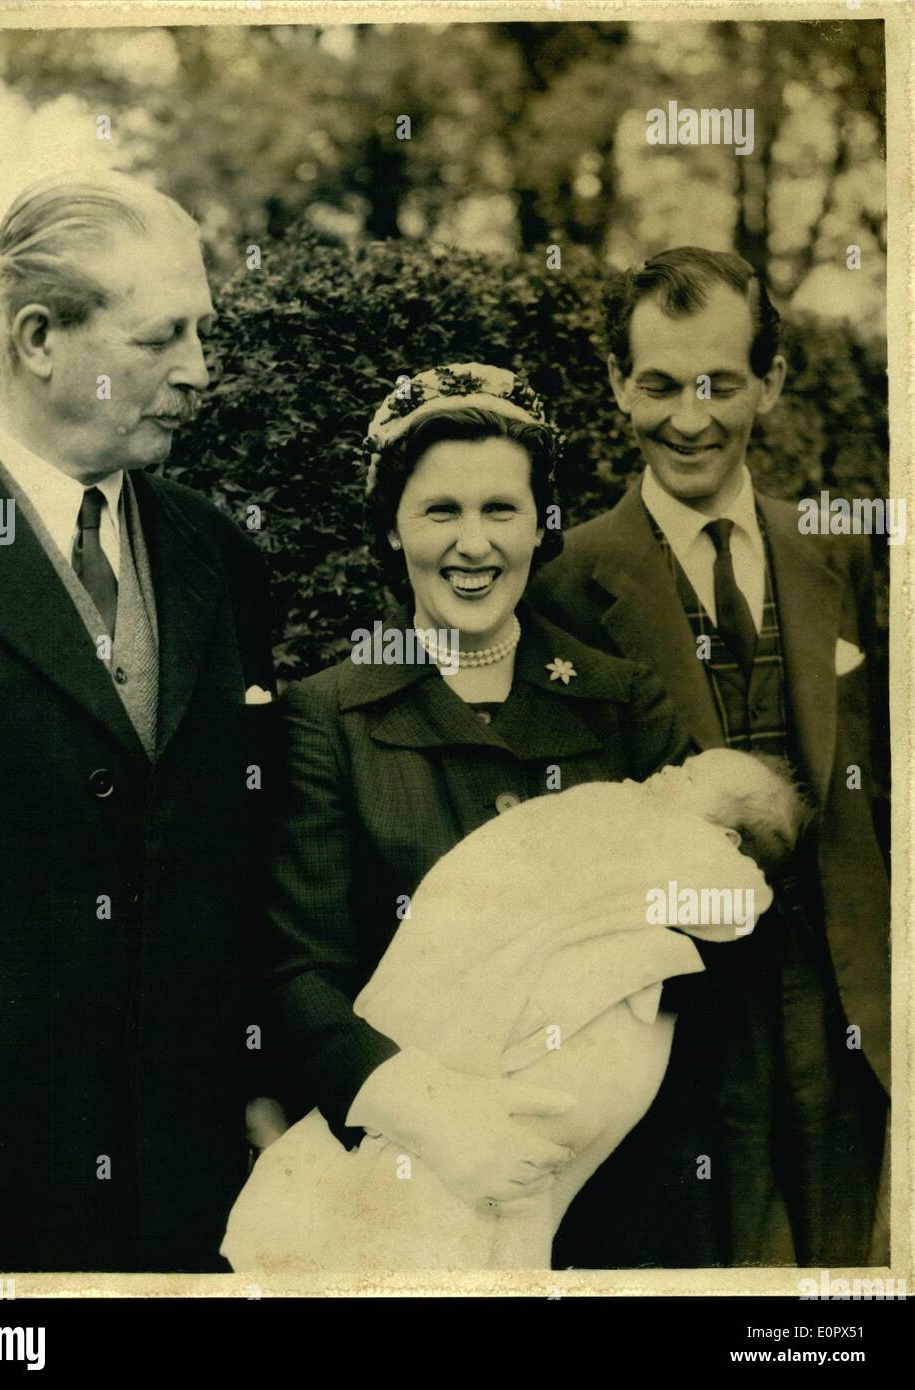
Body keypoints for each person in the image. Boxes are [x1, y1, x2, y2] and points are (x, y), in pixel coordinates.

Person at [250, 362, 693, 1267]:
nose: (473, 544)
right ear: (390, 528)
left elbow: (707, 930)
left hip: (608, 1193)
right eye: (439, 511)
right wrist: (437, 1117)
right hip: (401, 1184)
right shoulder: (329, 716)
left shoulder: (621, 704)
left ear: (541, 523)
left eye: (501, 509)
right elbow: (300, 972)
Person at [0, 171, 277, 1272]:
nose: (200, 371)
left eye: (202, 332)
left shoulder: (221, 558)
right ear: (37, 338)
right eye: (164, 335)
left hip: (193, 1198)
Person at [529, 247, 889, 1268]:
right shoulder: (567, 584)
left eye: (718, 384)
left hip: (843, 1013)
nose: (687, 419)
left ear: (769, 383)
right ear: (615, 384)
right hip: (675, 1026)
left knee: (841, 1294)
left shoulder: (840, 553)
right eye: (656, 385)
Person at [224, 750, 808, 1272]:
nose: (668, 769)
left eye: (690, 775)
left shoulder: (693, 855)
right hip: (443, 1052)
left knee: (474, 1204)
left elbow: (722, 905)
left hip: (546, 1076)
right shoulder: (624, 814)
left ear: (726, 842)